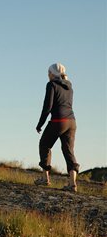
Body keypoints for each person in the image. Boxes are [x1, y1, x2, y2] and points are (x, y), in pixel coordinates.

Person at [35, 63, 80, 192]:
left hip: (58, 121)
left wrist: (40, 124)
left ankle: (45, 178)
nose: (48, 75)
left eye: (49, 73)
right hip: (71, 122)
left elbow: (47, 107)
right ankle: (72, 184)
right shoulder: (69, 86)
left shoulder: (51, 85)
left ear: (53, 73)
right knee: (68, 150)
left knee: (44, 144)